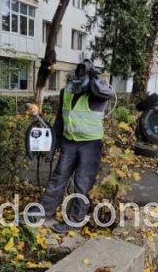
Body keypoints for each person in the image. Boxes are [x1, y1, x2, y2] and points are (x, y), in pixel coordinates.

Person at [36, 60, 115, 233]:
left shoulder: (96, 93)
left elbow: (105, 91)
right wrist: (53, 144)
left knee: (82, 183)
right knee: (58, 178)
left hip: (90, 145)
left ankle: (74, 220)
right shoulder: (67, 92)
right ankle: (44, 212)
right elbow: (60, 119)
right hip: (69, 142)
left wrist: (92, 76)